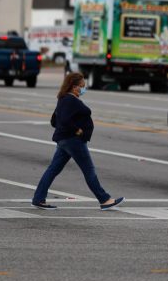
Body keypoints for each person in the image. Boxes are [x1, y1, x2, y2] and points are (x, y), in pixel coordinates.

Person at [32, 72, 124, 210]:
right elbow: (63, 120)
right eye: (82, 86)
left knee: (53, 169)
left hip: (64, 141)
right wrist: (77, 130)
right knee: (89, 170)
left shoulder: (63, 99)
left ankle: (38, 198)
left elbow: (54, 120)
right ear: (74, 87)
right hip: (73, 141)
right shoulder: (71, 100)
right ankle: (104, 199)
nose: (83, 89)